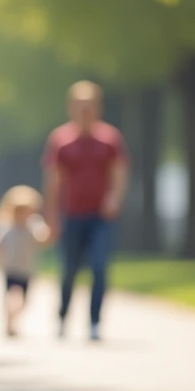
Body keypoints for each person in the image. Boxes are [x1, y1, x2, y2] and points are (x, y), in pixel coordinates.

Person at [43, 81, 128, 341]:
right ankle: (62, 316)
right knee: (69, 269)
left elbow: (120, 174)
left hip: (100, 218)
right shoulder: (60, 140)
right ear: (71, 107)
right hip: (71, 215)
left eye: (89, 105)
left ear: (98, 107)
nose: (85, 110)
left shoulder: (110, 139)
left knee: (100, 267)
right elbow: (53, 182)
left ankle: (94, 322)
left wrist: (114, 199)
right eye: (80, 105)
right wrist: (51, 217)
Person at [0, 185, 51, 337]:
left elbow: (43, 238)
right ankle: (9, 323)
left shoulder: (34, 226)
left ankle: (12, 321)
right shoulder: (4, 226)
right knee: (13, 296)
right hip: (11, 268)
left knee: (24, 300)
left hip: (27, 269)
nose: (23, 215)